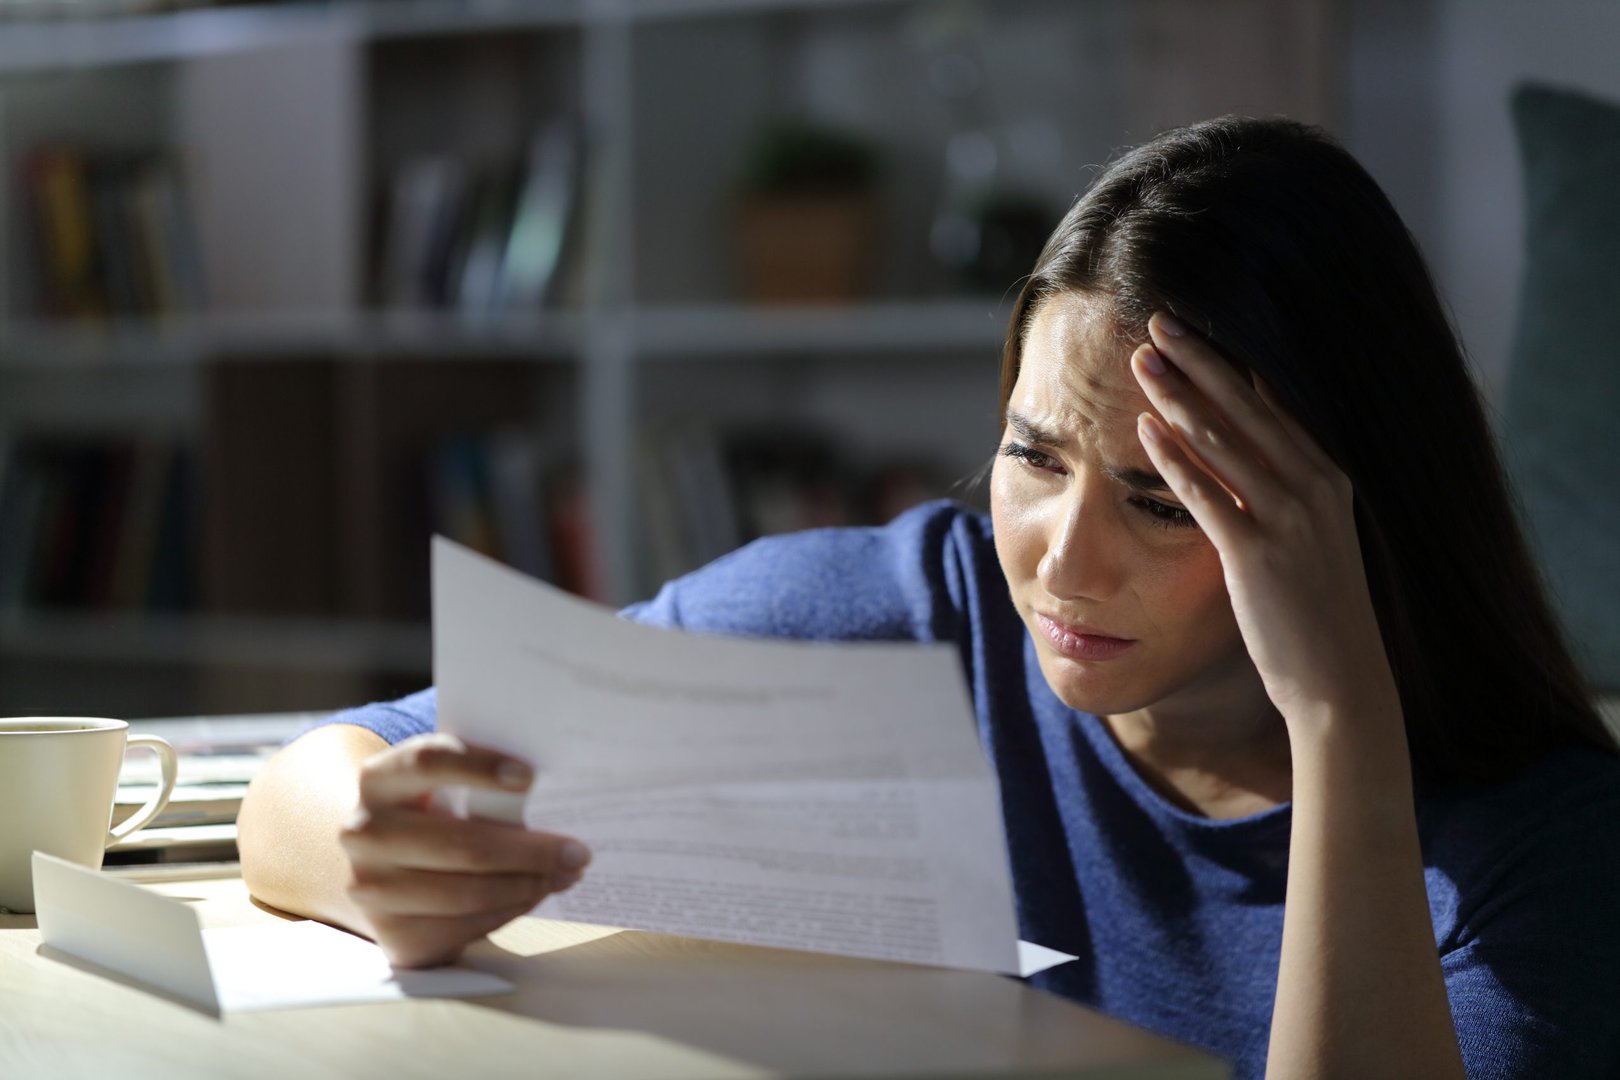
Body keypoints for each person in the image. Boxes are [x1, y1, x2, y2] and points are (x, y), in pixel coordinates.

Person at [237, 115, 1620, 1079]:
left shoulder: (1541, 839)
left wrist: (1338, 719)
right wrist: (369, 853)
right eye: (1032, 456)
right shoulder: (900, 628)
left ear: (1347, 508)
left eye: (1161, 500)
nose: (1063, 565)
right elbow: (310, 773)